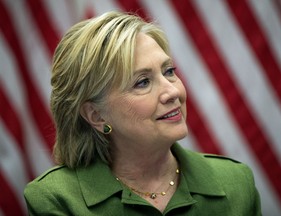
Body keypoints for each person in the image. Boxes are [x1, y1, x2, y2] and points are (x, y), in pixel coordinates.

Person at [24, 11, 261, 215]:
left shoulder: (236, 183)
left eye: (169, 71)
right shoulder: (56, 200)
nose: (172, 91)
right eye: (142, 82)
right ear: (97, 116)